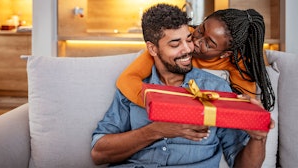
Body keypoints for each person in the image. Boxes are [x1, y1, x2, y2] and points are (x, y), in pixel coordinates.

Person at [91, 4, 273, 167]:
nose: (189, 48)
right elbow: (98, 153)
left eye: (188, 39)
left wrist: (258, 137)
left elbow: (241, 163)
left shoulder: (218, 89)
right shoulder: (134, 87)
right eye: (175, 43)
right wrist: (156, 130)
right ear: (153, 49)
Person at [116, 8, 275, 111]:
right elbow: (127, 79)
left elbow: (245, 106)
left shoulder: (236, 62)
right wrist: (159, 104)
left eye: (208, 43)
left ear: (226, 54)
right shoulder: (182, 37)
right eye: (201, 30)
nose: (195, 41)